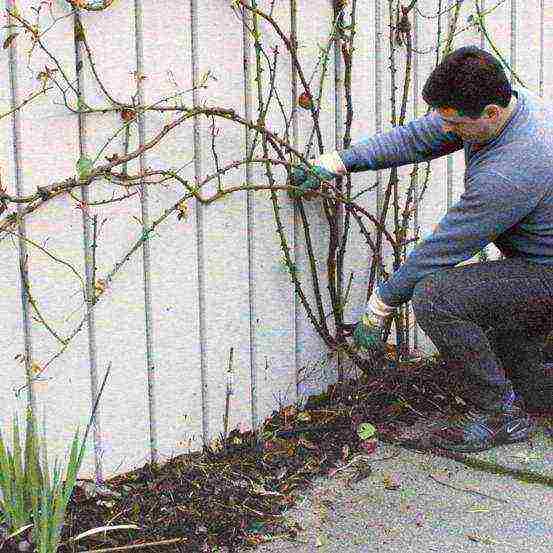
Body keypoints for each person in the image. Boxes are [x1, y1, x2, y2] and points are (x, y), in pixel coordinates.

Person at [288, 45, 553, 453]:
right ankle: (533, 382)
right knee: (521, 364)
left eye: (454, 123)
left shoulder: (512, 169)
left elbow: (445, 247)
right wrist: (339, 162)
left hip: (546, 274)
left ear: (491, 113)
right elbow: (417, 137)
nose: (447, 130)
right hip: (538, 264)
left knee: (437, 296)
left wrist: (382, 305)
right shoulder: (507, 106)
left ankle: (501, 415)